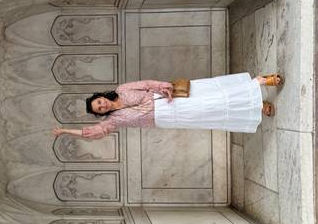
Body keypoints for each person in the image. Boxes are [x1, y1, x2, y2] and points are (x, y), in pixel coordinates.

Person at [52, 73, 283, 140]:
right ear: (101, 113)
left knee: (212, 97)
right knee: (211, 112)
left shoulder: (122, 89)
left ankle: (258, 83)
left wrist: (164, 86)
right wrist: (65, 131)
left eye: (99, 101)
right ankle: (257, 106)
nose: (102, 106)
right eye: (99, 109)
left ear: (101, 96)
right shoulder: (113, 121)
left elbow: (146, 84)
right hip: (167, 117)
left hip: (168, 97)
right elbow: (90, 133)